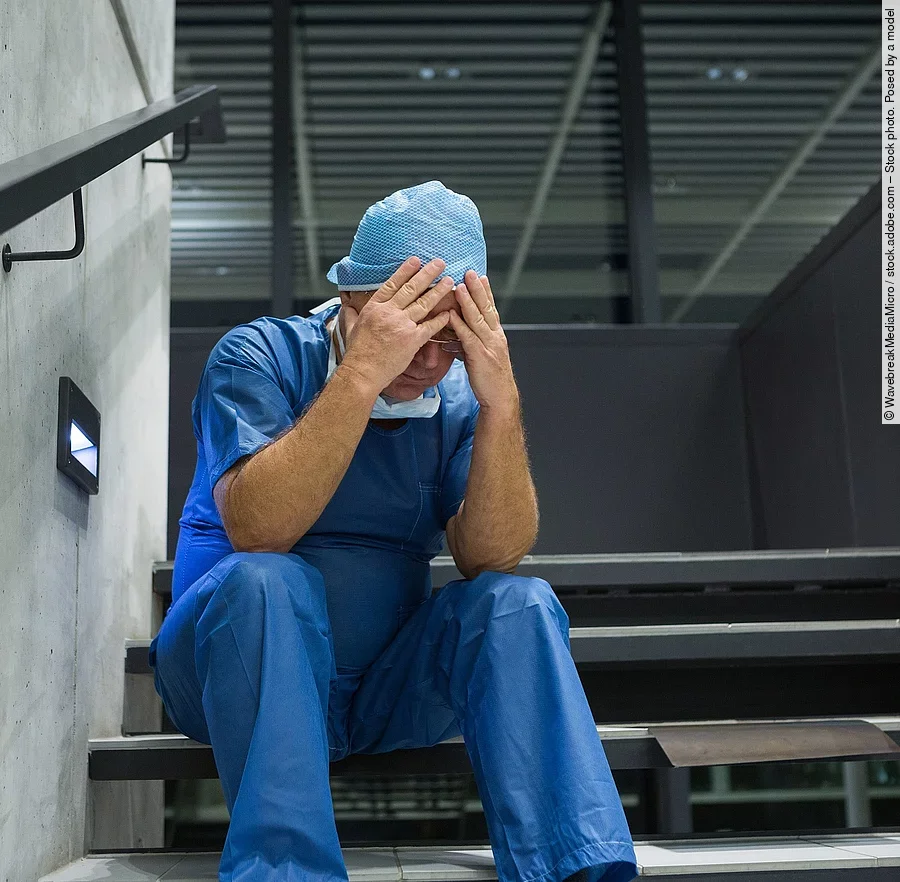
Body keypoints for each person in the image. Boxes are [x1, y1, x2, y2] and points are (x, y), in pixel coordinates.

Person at [149, 181, 637, 882]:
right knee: (267, 578)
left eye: (449, 339)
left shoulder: (459, 399)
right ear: (353, 301)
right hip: (229, 672)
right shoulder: (255, 357)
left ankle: (574, 871)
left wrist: (501, 404)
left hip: (384, 692)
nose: (431, 362)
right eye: (409, 331)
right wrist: (360, 375)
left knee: (516, 600)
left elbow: (492, 553)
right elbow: (259, 529)